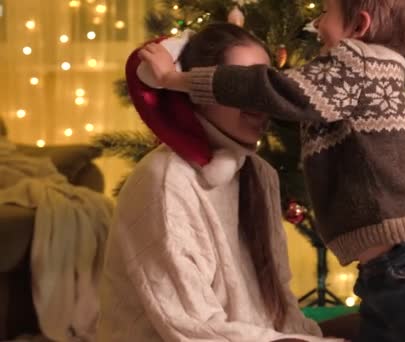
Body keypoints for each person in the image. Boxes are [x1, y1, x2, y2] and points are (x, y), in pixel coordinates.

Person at [138, 0, 405, 341]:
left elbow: (268, 90)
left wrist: (173, 79)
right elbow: (284, 105)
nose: (317, 24)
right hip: (384, 273)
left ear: (359, 26)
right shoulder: (350, 85)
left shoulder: (359, 66)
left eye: (325, 12)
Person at [97, 24, 343, 342]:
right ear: (197, 89)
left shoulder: (259, 174)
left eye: (260, 87)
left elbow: (282, 314)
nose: (258, 103)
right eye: (238, 87)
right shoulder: (165, 181)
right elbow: (192, 328)